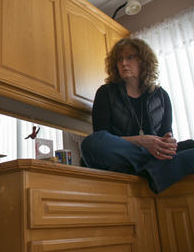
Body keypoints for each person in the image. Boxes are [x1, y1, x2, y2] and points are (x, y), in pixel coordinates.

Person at [81, 37, 194, 194]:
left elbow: (165, 136)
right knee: (91, 143)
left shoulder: (162, 96)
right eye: (119, 59)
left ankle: (150, 171)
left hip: (155, 155)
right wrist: (142, 142)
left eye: (130, 57)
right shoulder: (106, 92)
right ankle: (157, 171)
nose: (124, 63)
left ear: (144, 61)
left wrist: (169, 142)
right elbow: (102, 136)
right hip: (122, 156)